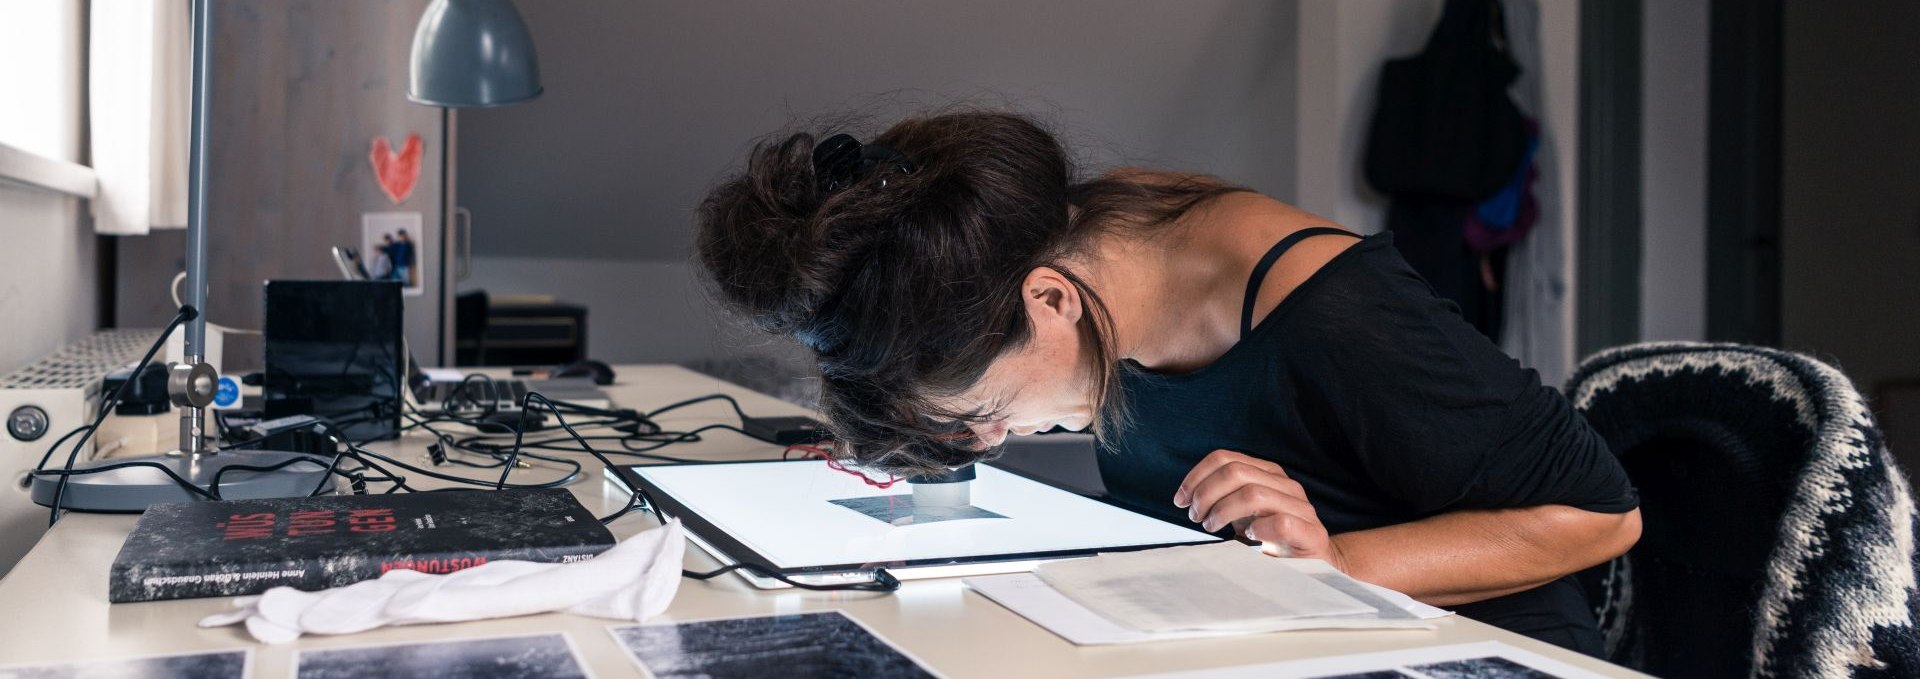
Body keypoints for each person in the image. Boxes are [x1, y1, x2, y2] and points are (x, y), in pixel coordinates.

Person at [694, 111, 1640, 655]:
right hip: (1264, 642)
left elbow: (1601, 515)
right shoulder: (1080, 254)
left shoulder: (1332, 312)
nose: (986, 438)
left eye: (983, 412)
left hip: (1465, 650)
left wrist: (1337, 566)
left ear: (1051, 299)